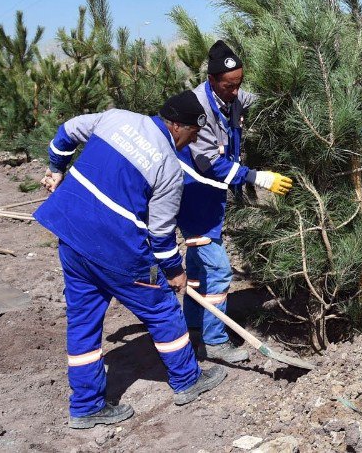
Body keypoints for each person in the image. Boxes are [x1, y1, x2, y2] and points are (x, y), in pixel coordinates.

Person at [36, 91, 226, 429]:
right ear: (177, 126)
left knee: (82, 321)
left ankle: (86, 406)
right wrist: (174, 271)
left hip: (71, 236)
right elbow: (161, 235)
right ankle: (187, 380)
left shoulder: (115, 117)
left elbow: (65, 133)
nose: (192, 142)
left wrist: (56, 169)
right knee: (162, 307)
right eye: (193, 135)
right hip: (117, 249)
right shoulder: (168, 167)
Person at [175, 40, 293, 366]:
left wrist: (291, 91)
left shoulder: (233, 96)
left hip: (210, 196)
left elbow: (265, 99)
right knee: (218, 269)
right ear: (212, 80)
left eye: (239, 84)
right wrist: (258, 178)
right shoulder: (196, 109)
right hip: (192, 194)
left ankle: (195, 329)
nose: (235, 91)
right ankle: (214, 341)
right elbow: (210, 163)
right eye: (229, 86)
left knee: (199, 267)